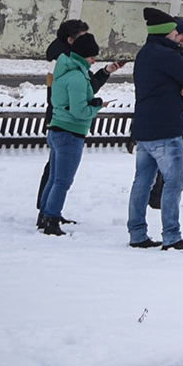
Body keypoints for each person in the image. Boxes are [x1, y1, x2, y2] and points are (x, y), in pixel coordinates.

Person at [128, 8, 183, 250]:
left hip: (144, 128)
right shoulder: (168, 55)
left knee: (142, 182)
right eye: (174, 32)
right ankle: (171, 235)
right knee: (175, 182)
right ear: (166, 33)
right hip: (166, 129)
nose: (178, 36)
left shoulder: (144, 54)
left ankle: (137, 233)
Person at [38, 32, 102, 234]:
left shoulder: (65, 69)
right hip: (70, 133)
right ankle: (51, 220)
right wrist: (97, 106)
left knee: (54, 178)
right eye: (92, 57)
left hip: (57, 129)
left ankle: (45, 215)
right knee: (63, 181)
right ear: (84, 55)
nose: (94, 61)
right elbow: (79, 111)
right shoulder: (76, 76)